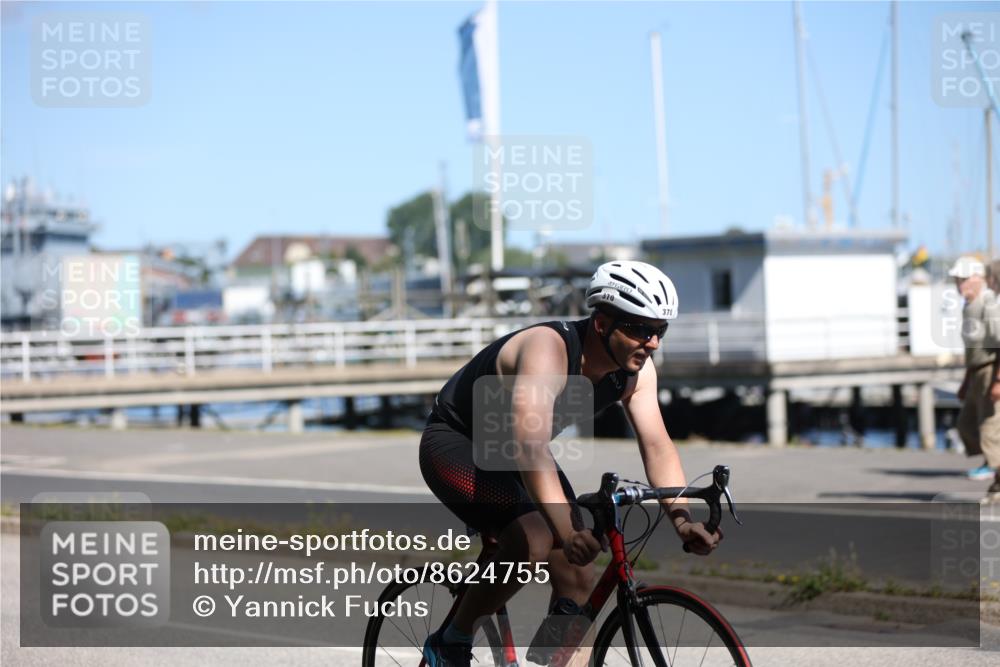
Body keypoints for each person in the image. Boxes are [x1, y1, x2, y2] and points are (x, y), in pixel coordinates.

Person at [419, 260, 721, 666]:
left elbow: (658, 445)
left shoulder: (636, 372)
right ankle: (451, 640)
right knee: (539, 536)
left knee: (578, 572)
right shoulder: (548, 349)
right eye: (639, 329)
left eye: (659, 331)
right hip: (457, 442)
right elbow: (530, 447)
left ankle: (548, 661)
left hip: (515, 451)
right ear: (602, 323)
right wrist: (565, 529)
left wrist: (683, 520)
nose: (652, 343)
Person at [951, 256, 1000, 502]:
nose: (958, 284)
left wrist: (999, 381)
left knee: (991, 431)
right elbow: (973, 348)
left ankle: (997, 485)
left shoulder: (988, 303)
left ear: (977, 279)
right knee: (966, 425)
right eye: (957, 279)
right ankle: (993, 469)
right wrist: (966, 380)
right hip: (976, 372)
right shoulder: (967, 306)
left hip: (992, 369)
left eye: (962, 278)